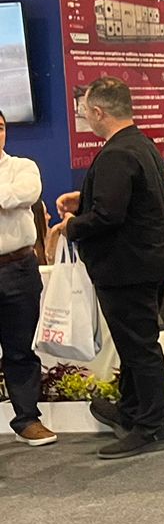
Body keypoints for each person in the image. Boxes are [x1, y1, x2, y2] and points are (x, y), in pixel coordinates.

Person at [48, 77, 164, 458]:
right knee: (133, 344)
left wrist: (70, 226)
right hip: (147, 263)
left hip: (127, 268)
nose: (84, 117)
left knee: (139, 347)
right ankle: (132, 411)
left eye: (84, 111)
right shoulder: (141, 145)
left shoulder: (116, 154)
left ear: (98, 112)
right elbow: (134, 200)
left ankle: (152, 427)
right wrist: (85, 198)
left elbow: (108, 216)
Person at [0, 110, 52, 447]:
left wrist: (7, 198)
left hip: (17, 267)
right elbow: (7, 199)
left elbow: (23, 195)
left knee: (20, 348)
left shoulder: (23, 167)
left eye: (0, 127)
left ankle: (28, 419)